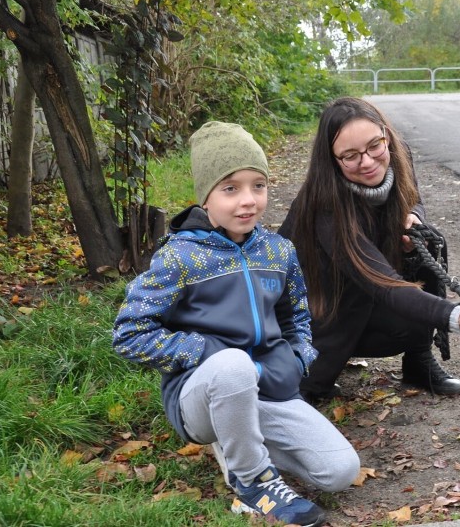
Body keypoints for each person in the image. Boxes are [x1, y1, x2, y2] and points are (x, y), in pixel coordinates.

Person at [112, 121, 359, 527]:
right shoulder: (181, 258)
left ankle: (242, 438)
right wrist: (207, 351)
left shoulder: (279, 251)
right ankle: (252, 481)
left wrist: (298, 358)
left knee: (340, 471)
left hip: (269, 388)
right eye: (230, 188)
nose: (248, 201)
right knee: (232, 365)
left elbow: (296, 316)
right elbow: (129, 334)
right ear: (205, 197)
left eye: (257, 185)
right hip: (202, 395)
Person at [278, 97, 460, 403]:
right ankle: (314, 372)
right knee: (306, 388)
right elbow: (383, 284)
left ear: (386, 135)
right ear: (331, 160)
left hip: (363, 289)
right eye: (350, 156)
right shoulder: (326, 205)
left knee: (423, 246)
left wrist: (415, 218)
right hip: (317, 306)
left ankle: (418, 362)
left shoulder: (396, 153)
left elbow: (413, 198)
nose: (368, 161)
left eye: (375, 145)